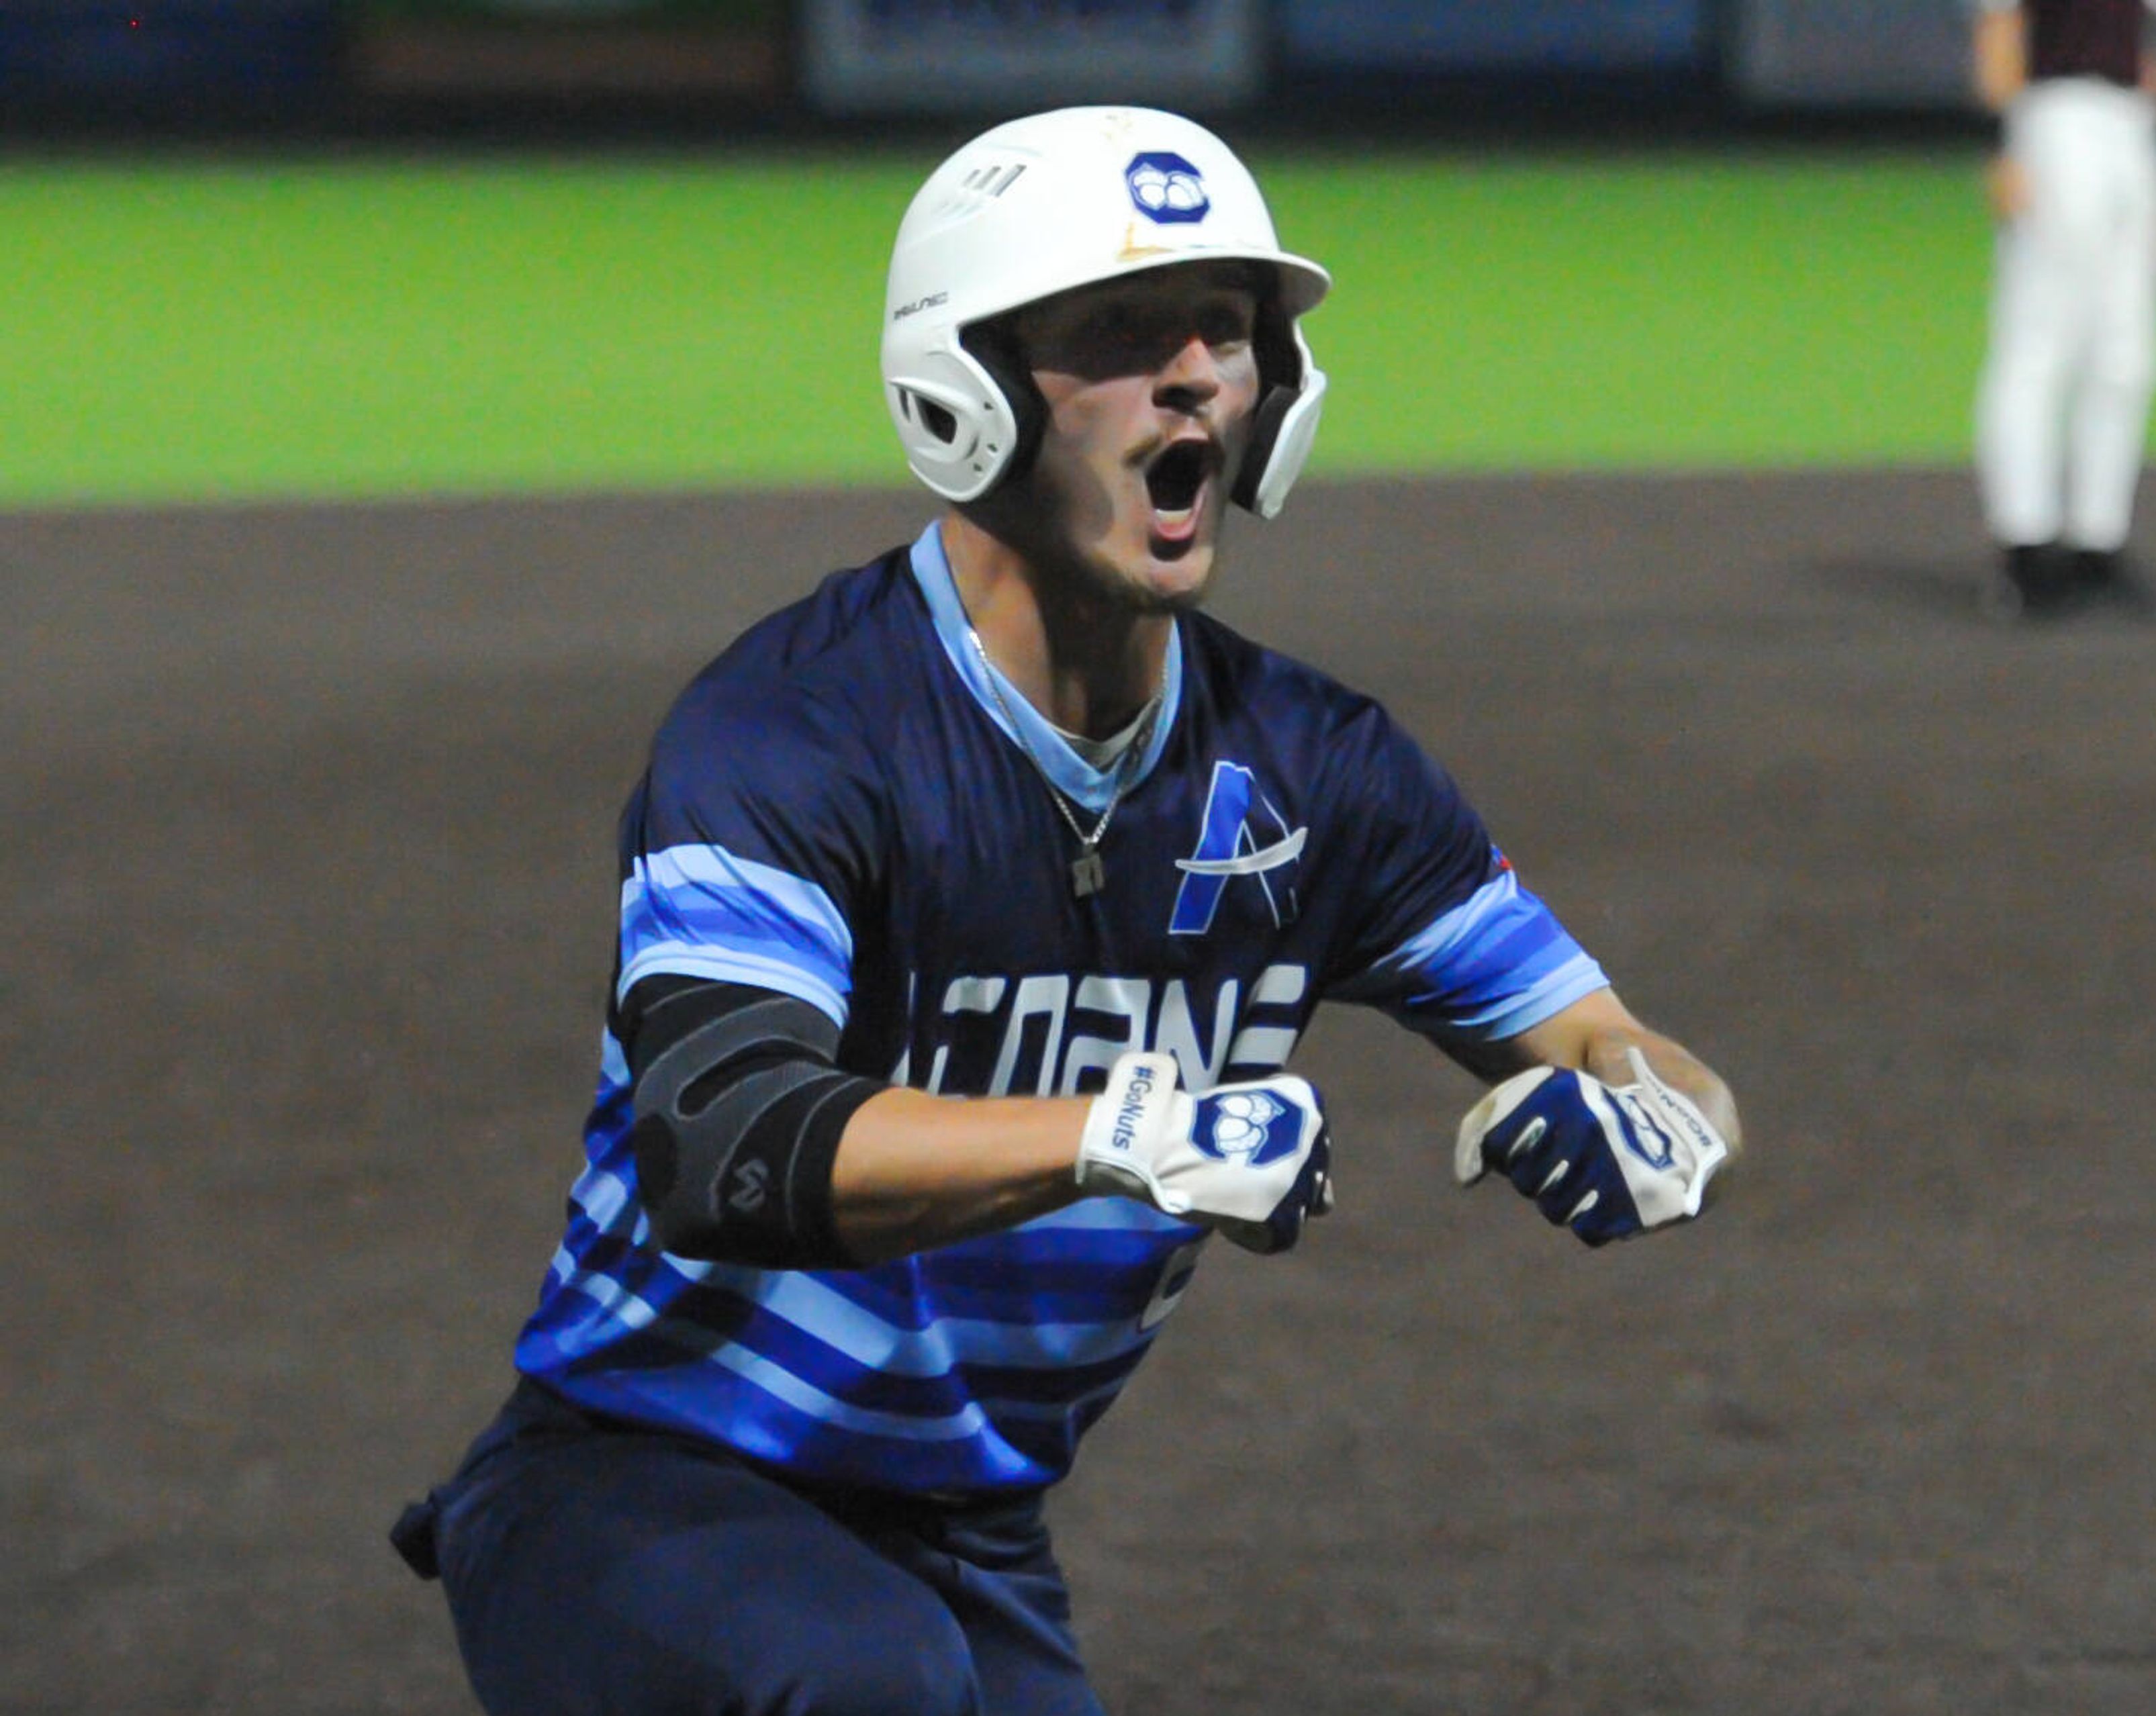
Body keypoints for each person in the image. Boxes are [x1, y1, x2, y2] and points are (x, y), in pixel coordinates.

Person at [389, 105, 1741, 1716]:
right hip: (633, 1490)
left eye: (1227, 333)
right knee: (867, 1689)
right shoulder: (795, 732)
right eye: (1117, 332)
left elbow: (1606, 1037)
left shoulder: (1316, 772)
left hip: (962, 1536)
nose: (1190, 377)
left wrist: (1670, 1121)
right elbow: (724, 1140)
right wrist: (1115, 1134)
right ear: (962, 390)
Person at [1971, 0, 2156, 617]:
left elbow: (2150, 45)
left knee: (2128, 354)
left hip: (2130, 126)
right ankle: (2025, 550)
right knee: (2037, 344)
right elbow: (2000, 24)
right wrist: (2008, 143)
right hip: (2054, 119)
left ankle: (2099, 543)